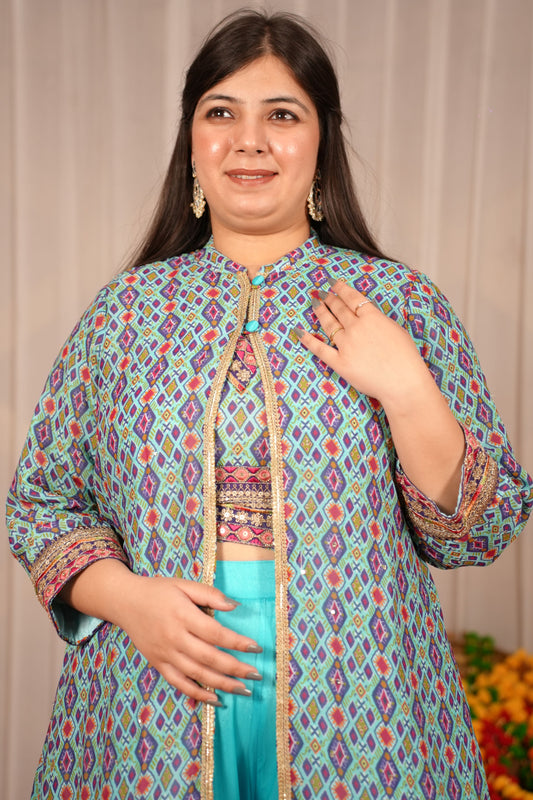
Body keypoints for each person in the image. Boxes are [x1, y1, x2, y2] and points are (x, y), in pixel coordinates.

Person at [6, 8, 532, 800]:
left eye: (281, 115)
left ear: (322, 143)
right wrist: (130, 601)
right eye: (220, 113)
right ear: (191, 142)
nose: (248, 140)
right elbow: (41, 504)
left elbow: (480, 529)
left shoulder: (398, 304)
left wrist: (405, 386)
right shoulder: (123, 315)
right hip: (152, 685)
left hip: (359, 691)